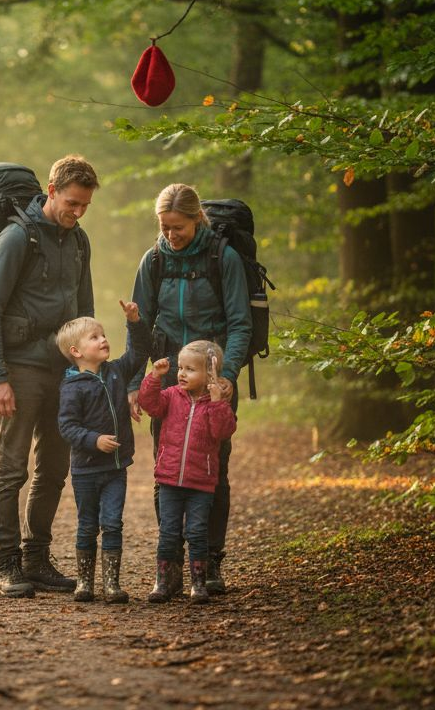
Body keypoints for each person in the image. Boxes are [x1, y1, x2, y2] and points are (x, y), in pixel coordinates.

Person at [0, 154, 99, 598]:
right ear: (50, 191)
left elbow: (85, 311)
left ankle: (36, 558)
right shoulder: (16, 238)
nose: (77, 212)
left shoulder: (80, 242)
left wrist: (89, 371)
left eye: (85, 205)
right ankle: (7, 564)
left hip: (66, 372)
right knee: (11, 470)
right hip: (20, 368)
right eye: (71, 203)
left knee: (54, 469)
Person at [126, 183, 251, 594]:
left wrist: (227, 375)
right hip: (170, 381)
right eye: (164, 226)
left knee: (214, 471)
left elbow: (239, 323)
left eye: (178, 227)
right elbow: (139, 328)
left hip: (213, 383)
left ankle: (209, 561)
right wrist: (135, 382)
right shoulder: (155, 258)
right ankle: (171, 564)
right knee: (167, 469)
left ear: (197, 220)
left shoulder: (222, 257)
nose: (170, 235)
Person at [55, 300, 151, 603]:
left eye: (103, 334)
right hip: (85, 470)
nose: (103, 340)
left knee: (112, 523)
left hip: (115, 468)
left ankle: (112, 584)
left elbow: (138, 353)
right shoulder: (72, 387)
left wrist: (134, 323)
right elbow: (67, 426)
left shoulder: (116, 372)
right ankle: (85, 582)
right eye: (94, 337)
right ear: (76, 352)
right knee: (87, 524)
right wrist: (93, 440)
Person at [137, 341, 236, 602]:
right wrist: (155, 377)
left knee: (196, 532)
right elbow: (150, 405)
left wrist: (216, 403)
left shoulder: (216, 404)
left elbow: (223, 432)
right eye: (180, 368)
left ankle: (198, 583)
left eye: (190, 369)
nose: (181, 373)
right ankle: (163, 581)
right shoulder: (170, 395)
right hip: (169, 480)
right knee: (168, 531)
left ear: (210, 375)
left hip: (200, 482)